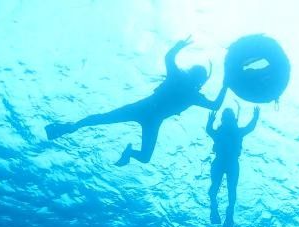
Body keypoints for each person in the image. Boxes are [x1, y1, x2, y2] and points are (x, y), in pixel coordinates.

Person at [45, 37, 226, 166]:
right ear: (201, 81)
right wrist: (226, 85)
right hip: (148, 114)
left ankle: (125, 151)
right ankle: (69, 127)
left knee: (108, 123)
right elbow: (215, 105)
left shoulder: (183, 84)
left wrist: (178, 47)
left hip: (146, 113)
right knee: (105, 121)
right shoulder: (188, 89)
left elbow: (169, 58)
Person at [205, 106, 259, 227]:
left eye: (228, 117)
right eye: (226, 117)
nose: (227, 120)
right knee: (217, 187)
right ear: (223, 120)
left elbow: (209, 130)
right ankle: (215, 209)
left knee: (230, 189)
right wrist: (255, 118)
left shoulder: (230, 132)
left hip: (229, 163)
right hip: (224, 163)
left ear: (233, 119)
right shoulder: (234, 132)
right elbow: (250, 127)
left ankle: (229, 215)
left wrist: (255, 118)